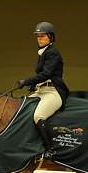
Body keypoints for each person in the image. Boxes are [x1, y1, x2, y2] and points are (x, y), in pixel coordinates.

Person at [16, 21, 69, 155]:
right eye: (38, 36)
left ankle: (50, 149)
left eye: (43, 36)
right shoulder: (43, 52)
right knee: (21, 109)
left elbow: (47, 74)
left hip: (53, 91)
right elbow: (41, 74)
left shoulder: (53, 52)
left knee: (38, 116)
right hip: (41, 91)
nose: (39, 39)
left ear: (50, 37)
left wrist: (26, 81)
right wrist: (33, 85)